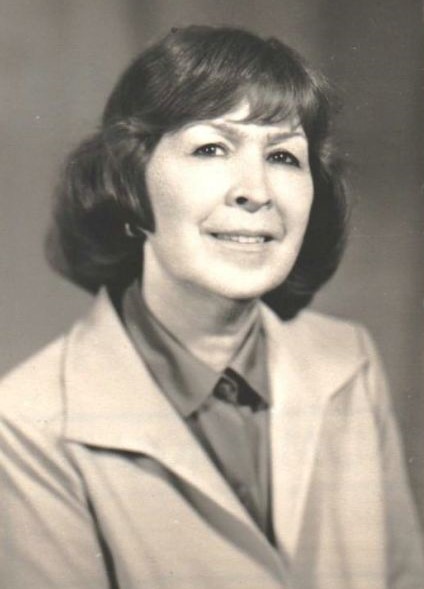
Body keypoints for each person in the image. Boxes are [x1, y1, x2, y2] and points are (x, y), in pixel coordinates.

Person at [0, 25, 422, 589]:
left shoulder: (349, 358)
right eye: (211, 149)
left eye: (283, 156)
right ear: (129, 183)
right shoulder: (26, 424)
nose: (256, 191)